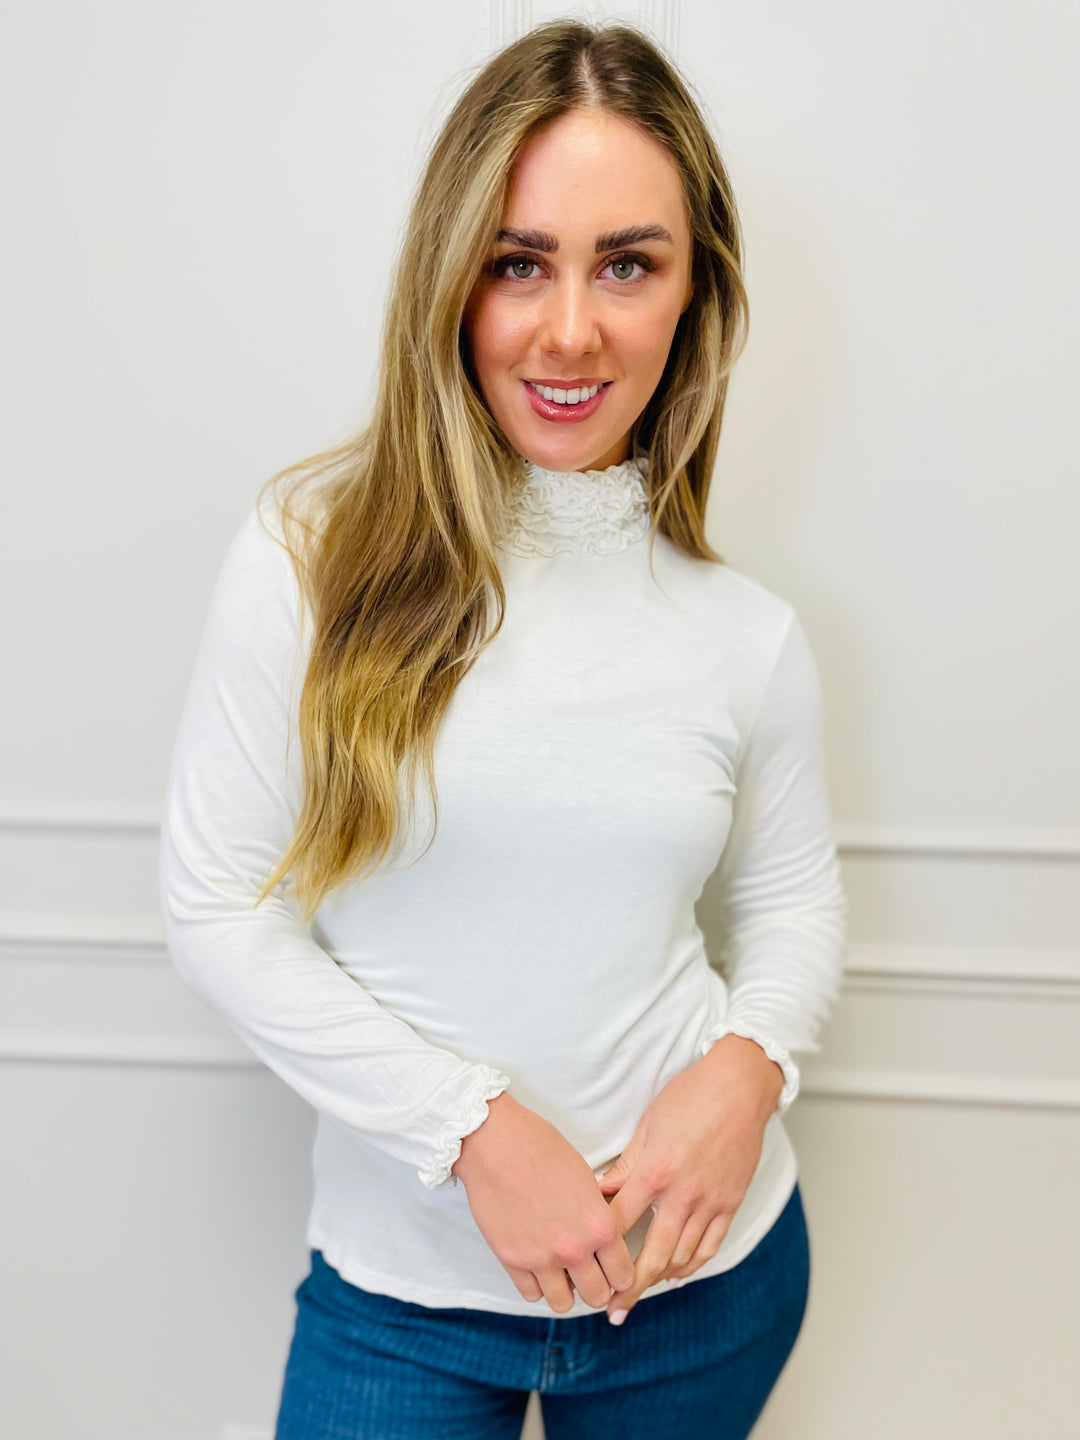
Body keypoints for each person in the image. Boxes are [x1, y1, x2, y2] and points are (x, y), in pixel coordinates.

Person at [158, 18, 849, 1440]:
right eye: (519, 261)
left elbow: (791, 906)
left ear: (695, 296)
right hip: (400, 1310)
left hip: (705, 1292)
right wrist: (470, 1128)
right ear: (450, 277)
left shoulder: (747, 634)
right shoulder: (306, 560)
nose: (571, 330)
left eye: (628, 264)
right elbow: (217, 907)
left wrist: (747, 1071)